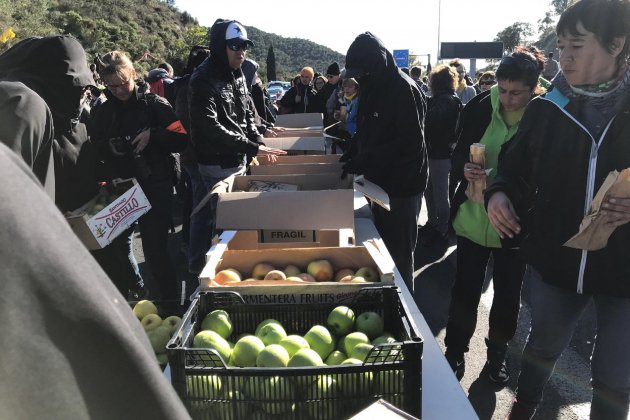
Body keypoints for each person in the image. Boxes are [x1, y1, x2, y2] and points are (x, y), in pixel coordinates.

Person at [485, 0, 630, 417]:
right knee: (543, 347)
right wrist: (498, 194)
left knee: (615, 376)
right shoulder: (546, 109)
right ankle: (524, 407)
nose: (563, 57)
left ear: (616, 44)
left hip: (623, 270)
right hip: (556, 262)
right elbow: (510, 170)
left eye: (577, 46)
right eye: (561, 45)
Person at [0, 142, 190, 420]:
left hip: (123, 195)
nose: (116, 93)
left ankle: (141, 289)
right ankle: (138, 288)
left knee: (134, 252)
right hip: (88, 209)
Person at [444, 46, 545, 383]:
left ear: (534, 89)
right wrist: (465, 170)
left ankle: (496, 359)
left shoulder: (544, 116)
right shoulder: (478, 106)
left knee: (506, 298)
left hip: (514, 226)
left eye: (517, 93)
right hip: (472, 221)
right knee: (464, 292)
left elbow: (544, 174)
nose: (507, 99)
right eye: (502, 90)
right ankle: (455, 352)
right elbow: (456, 153)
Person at [188, 19, 285, 274]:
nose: (241, 51)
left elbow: (246, 116)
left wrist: (258, 142)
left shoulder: (239, 73)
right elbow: (209, 127)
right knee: (222, 221)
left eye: (244, 46)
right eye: (234, 46)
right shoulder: (202, 80)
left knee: (233, 219)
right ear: (221, 47)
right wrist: (251, 147)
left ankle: (226, 267)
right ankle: (212, 272)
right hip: (216, 163)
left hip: (238, 158)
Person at [90, 50, 188, 301]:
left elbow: (181, 138)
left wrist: (153, 135)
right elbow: (95, 146)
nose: (119, 91)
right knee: (117, 246)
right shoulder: (103, 111)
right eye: (112, 87)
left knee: (155, 251)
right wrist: (110, 146)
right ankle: (138, 290)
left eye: (123, 84)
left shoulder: (155, 105)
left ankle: (171, 303)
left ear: (133, 74)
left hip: (156, 185)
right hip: (123, 189)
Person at [342, 32, 428, 291]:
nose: (359, 78)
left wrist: (367, 158)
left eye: (363, 72)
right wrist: (354, 147)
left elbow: (410, 143)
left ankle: (404, 307)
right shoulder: (370, 85)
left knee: (399, 256)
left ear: (377, 63)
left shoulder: (403, 89)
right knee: (379, 249)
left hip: (402, 185)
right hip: (377, 182)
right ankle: (383, 296)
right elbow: (370, 128)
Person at [420, 64, 462, 247]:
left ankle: (441, 228)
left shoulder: (444, 101)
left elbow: (433, 126)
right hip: (440, 152)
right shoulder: (450, 100)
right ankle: (435, 224)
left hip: (439, 153)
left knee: (438, 192)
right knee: (434, 191)